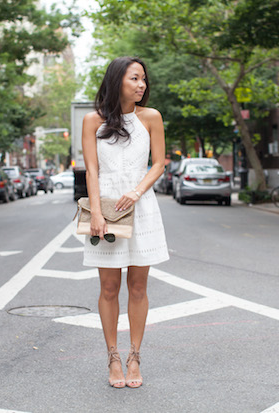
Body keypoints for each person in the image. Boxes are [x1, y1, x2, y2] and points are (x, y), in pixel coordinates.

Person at [81, 56, 170, 388]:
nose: (142, 85)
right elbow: (92, 170)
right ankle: (113, 357)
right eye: (135, 78)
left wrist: (137, 191)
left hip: (141, 208)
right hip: (105, 209)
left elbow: (159, 163)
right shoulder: (93, 120)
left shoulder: (151, 117)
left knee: (137, 287)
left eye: (144, 79)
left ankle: (135, 356)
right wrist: (96, 213)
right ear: (118, 80)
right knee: (108, 288)